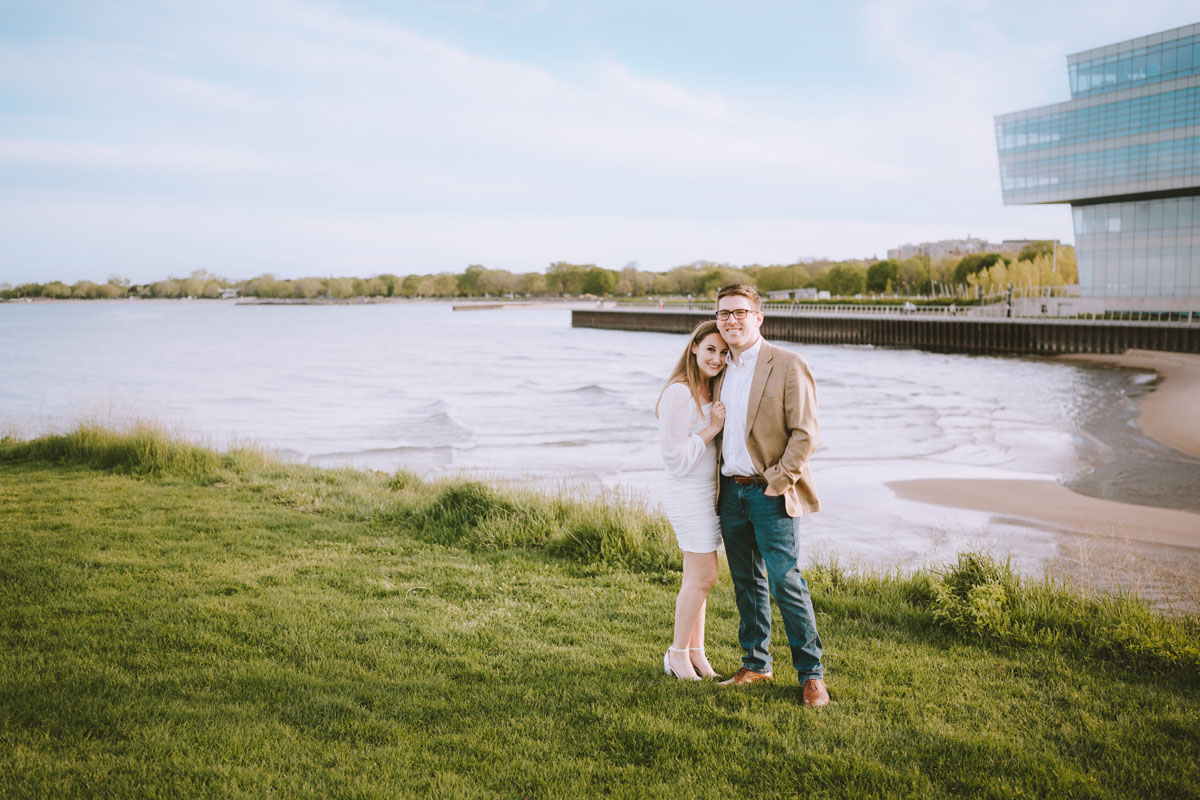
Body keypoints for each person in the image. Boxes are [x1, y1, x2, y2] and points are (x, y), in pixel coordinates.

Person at [712, 284, 830, 707]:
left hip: (770, 492)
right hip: (730, 492)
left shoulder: (787, 364)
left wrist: (778, 480)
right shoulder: (719, 366)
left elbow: (806, 433)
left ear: (758, 317)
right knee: (746, 582)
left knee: (785, 580)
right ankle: (756, 663)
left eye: (740, 312)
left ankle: (811, 674)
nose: (731, 320)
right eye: (724, 313)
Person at [656, 320, 728, 681]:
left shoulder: (713, 391)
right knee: (704, 575)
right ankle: (676, 654)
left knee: (698, 578)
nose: (716, 358)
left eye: (723, 352)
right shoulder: (680, 393)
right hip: (686, 494)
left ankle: (697, 652)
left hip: (706, 495)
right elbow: (676, 458)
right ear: (695, 347)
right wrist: (711, 429)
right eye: (710, 349)